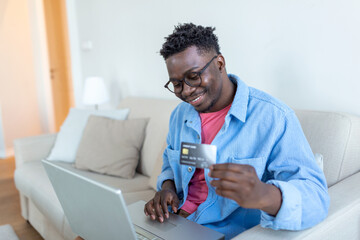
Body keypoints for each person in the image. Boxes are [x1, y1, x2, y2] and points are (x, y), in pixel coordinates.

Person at [144, 23, 330, 239]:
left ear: (220, 63)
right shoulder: (180, 115)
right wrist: (167, 188)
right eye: (176, 84)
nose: (186, 91)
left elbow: (317, 198)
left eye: (193, 76)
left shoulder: (274, 117)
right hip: (175, 223)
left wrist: (265, 195)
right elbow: (171, 160)